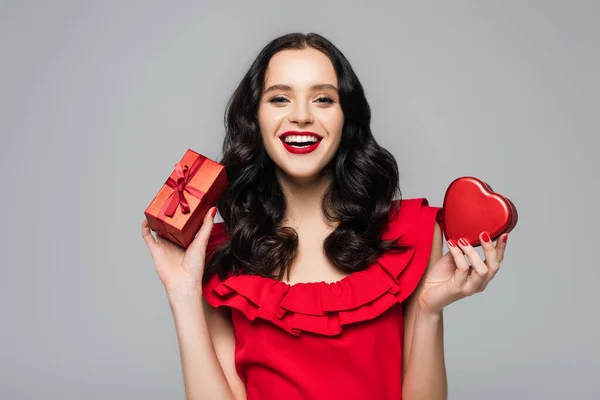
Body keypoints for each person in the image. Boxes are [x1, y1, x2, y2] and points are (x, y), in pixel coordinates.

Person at [141, 32, 509, 400]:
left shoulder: (411, 232)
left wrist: (429, 310)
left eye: (322, 99)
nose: (301, 116)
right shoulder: (218, 254)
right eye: (280, 98)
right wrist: (183, 292)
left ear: (346, 117)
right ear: (255, 117)